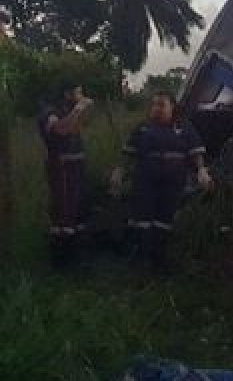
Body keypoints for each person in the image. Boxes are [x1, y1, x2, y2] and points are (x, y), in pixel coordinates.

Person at [111, 91, 211, 270]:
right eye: (154, 104)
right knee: (142, 217)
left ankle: (159, 259)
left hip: (173, 182)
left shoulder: (184, 127)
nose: (157, 108)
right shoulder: (143, 128)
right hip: (145, 180)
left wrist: (202, 171)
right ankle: (140, 259)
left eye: (162, 105)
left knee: (164, 219)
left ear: (172, 107)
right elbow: (128, 154)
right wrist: (119, 171)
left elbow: (196, 153)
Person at [36, 82, 94, 266]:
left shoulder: (66, 110)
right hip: (61, 167)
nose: (81, 95)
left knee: (77, 210)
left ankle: (76, 257)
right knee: (63, 212)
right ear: (67, 93)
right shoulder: (50, 112)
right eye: (78, 92)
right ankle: (60, 261)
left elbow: (74, 131)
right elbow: (61, 130)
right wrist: (79, 108)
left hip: (76, 167)